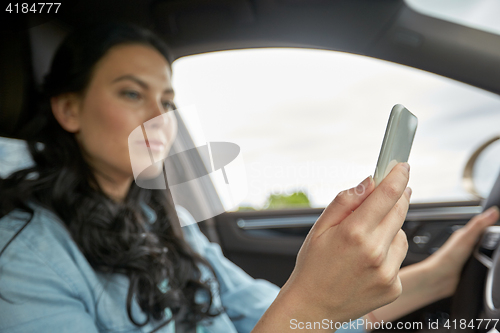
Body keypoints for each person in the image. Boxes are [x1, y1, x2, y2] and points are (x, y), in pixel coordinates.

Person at [0, 22, 498, 333]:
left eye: (168, 101)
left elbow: (258, 307)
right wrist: (316, 301)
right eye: (132, 94)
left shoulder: (162, 218)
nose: (159, 118)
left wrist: (437, 276)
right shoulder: (21, 253)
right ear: (68, 108)